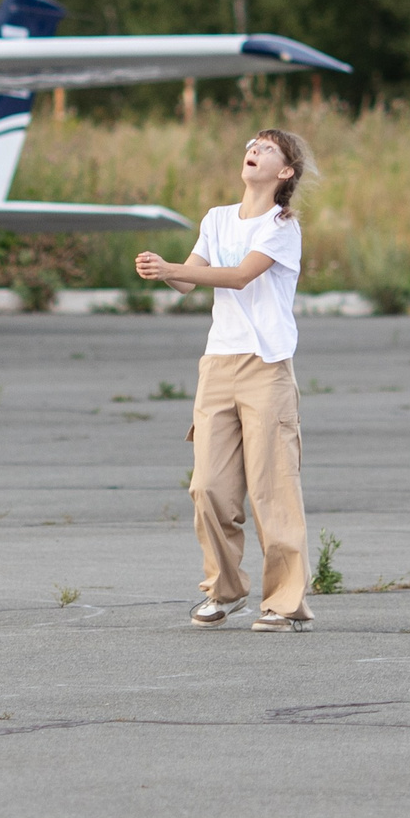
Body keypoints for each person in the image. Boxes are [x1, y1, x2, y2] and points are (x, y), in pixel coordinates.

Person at [135, 127, 315, 632]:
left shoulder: (281, 226)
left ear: (285, 172)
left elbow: (238, 276)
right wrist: (162, 270)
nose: (252, 152)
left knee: (271, 489)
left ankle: (284, 604)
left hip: (267, 367)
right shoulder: (216, 219)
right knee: (208, 487)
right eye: (250, 146)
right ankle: (225, 590)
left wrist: (175, 267)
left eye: (266, 149)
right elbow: (189, 279)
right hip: (217, 365)